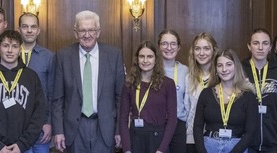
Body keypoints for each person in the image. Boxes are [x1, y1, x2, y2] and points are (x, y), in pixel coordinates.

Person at [52, 10, 125, 152]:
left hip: (105, 128)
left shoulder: (114, 55)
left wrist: (119, 130)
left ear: (98, 32)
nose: (87, 35)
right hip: (74, 129)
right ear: (75, 32)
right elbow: (57, 99)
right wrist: (58, 131)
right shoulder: (63, 56)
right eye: (82, 30)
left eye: (91, 30)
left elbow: (120, 98)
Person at [0, 30, 47, 153]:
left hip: (23, 148)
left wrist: (22, 144)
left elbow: (38, 114)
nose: (10, 50)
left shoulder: (31, 77)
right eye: (6, 46)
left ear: (20, 49)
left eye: (15, 46)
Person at [193, 49, 258, 153]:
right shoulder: (206, 93)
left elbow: (251, 131)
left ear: (236, 67)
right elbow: (197, 126)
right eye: (220, 65)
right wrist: (201, 151)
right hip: (209, 145)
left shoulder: (248, 96)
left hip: (237, 146)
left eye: (228, 64)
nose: (224, 69)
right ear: (215, 70)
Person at [119, 41, 177, 153]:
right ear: (137, 59)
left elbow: (172, 120)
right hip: (134, 140)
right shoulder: (129, 84)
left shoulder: (168, 84)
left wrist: (162, 149)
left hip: (158, 141)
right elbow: (123, 118)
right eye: (142, 56)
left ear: (156, 60)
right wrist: (126, 149)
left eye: (149, 56)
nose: (145, 60)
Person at [242, 29, 277, 153]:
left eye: (265, 43)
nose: (260, 47)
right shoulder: (239, 71)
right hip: (244, 145)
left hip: (273, 145)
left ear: (270, 47)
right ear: (249, 46)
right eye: (256, 43)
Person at [17, 12, 55, 153]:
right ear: (19, 29)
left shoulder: (49, 57)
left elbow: (52, 94)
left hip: (41, 127)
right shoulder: (9, 54)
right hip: (16, 128)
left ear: (38, 30)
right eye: (25, 26)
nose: (29, 30)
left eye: (33, 27)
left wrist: (49, 122)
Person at [185, 32, 218, 153]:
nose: (202, 53)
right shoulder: (189, 78)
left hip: (214, 138)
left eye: (206, 48)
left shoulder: (222, 77)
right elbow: (188, 109)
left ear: (213, 51)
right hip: (192, 137)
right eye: (197, 49)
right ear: (193, 52)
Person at [157, 29, 188, 153]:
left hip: (178, 125)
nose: (169, 47)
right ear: (159, 46)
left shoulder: (185, 71)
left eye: (173, 44)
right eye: (164, 43)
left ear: (179, 47)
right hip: (157, 124)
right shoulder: (152, 69)